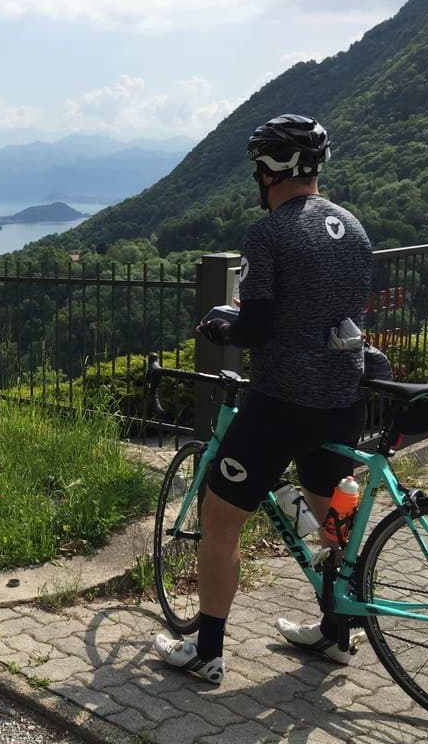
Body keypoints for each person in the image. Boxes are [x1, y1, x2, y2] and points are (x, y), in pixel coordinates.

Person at [152, 115, 373, 684]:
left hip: (281, 401)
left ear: (273, 169)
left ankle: (207, 652)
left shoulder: (269, 232)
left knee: (219, 517)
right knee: (331, 518)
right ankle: (336, 629)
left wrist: (225, 326)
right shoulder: (354, 229)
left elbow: (260, 325)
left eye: (259, 164)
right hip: (342, 396)